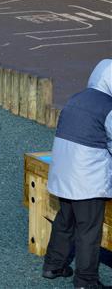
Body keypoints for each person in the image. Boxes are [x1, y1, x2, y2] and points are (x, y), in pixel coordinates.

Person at [41, 59, 111, 289]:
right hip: (87, 177)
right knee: (89, 230)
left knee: (65, 220)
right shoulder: (108, 106)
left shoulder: (76, 98)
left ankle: (53, 265)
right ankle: (85, 280)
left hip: (63, 171)